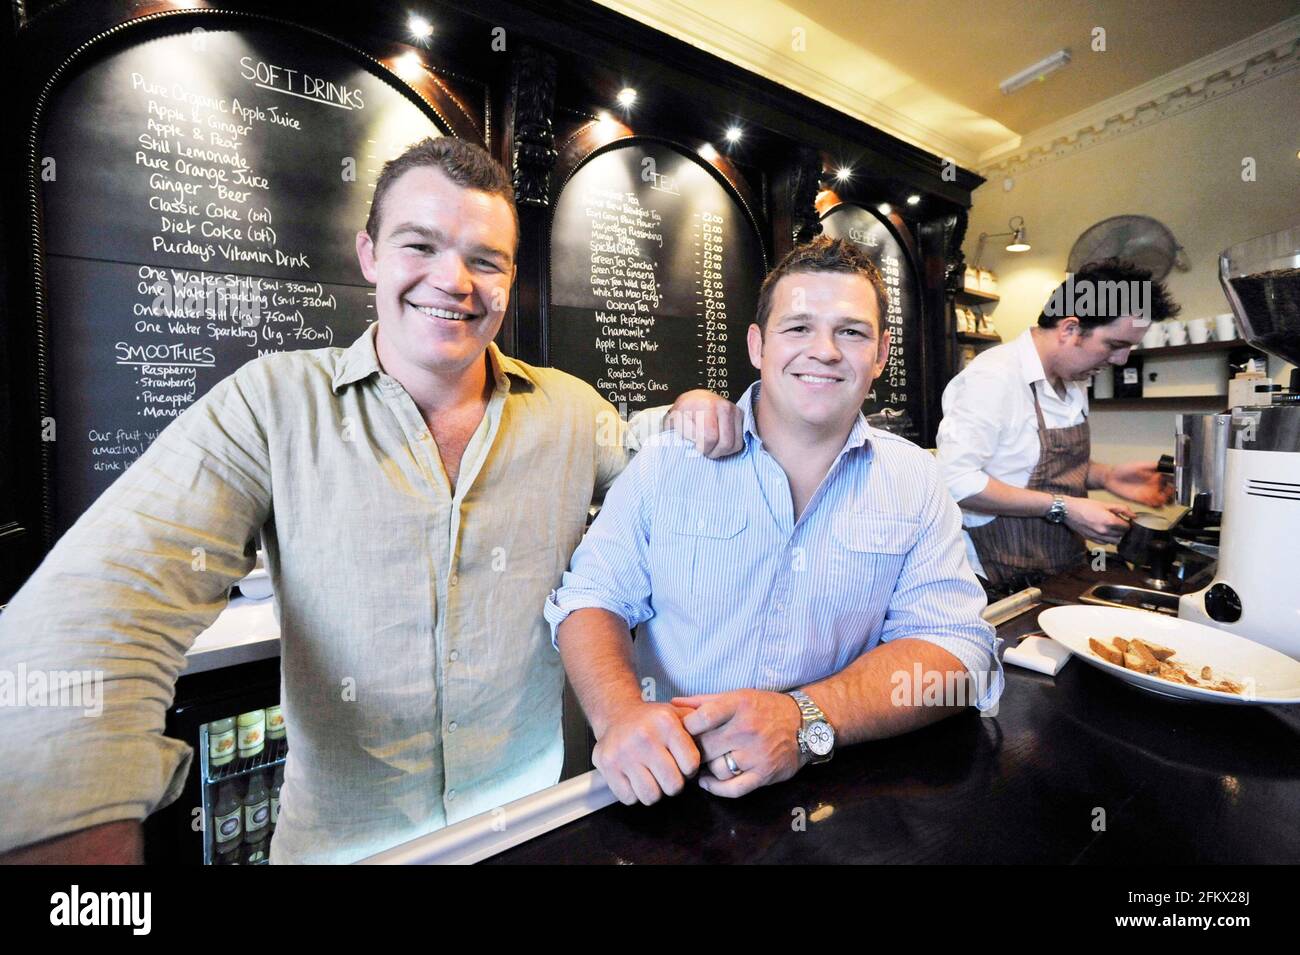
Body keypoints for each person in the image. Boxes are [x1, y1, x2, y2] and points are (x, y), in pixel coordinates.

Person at [0, 137, 741, 863]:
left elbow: (652, 459)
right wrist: (67, 802)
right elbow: (118, 584)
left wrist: (693, 414)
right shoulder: (273, 402)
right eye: (420, 246)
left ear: (510, 280)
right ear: (369, 256)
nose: (454, 280)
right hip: (342, 850)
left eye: (485, 260)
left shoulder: (570, 411)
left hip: (538, 828)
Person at [546, 237, 1002, 806]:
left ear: (882, 353)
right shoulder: (671, 459)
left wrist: (804, 718)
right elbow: (592, 597)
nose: (826, 351)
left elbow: (957, 653)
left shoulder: (913, 479)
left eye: (851, 332)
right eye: (799, 328)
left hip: (841, 784)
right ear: (757, 345)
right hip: (671, 782)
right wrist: (620, 715)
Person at [936, 258, 1178, 592]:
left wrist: (1108, 476)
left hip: (1058, 565)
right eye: (1115, 345)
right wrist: (1064, 508)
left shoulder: (1073, 381)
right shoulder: (993, 378)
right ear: (1069, 329)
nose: (1121, 360)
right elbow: (955, 482)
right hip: (995, 579)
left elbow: (1027, 463)